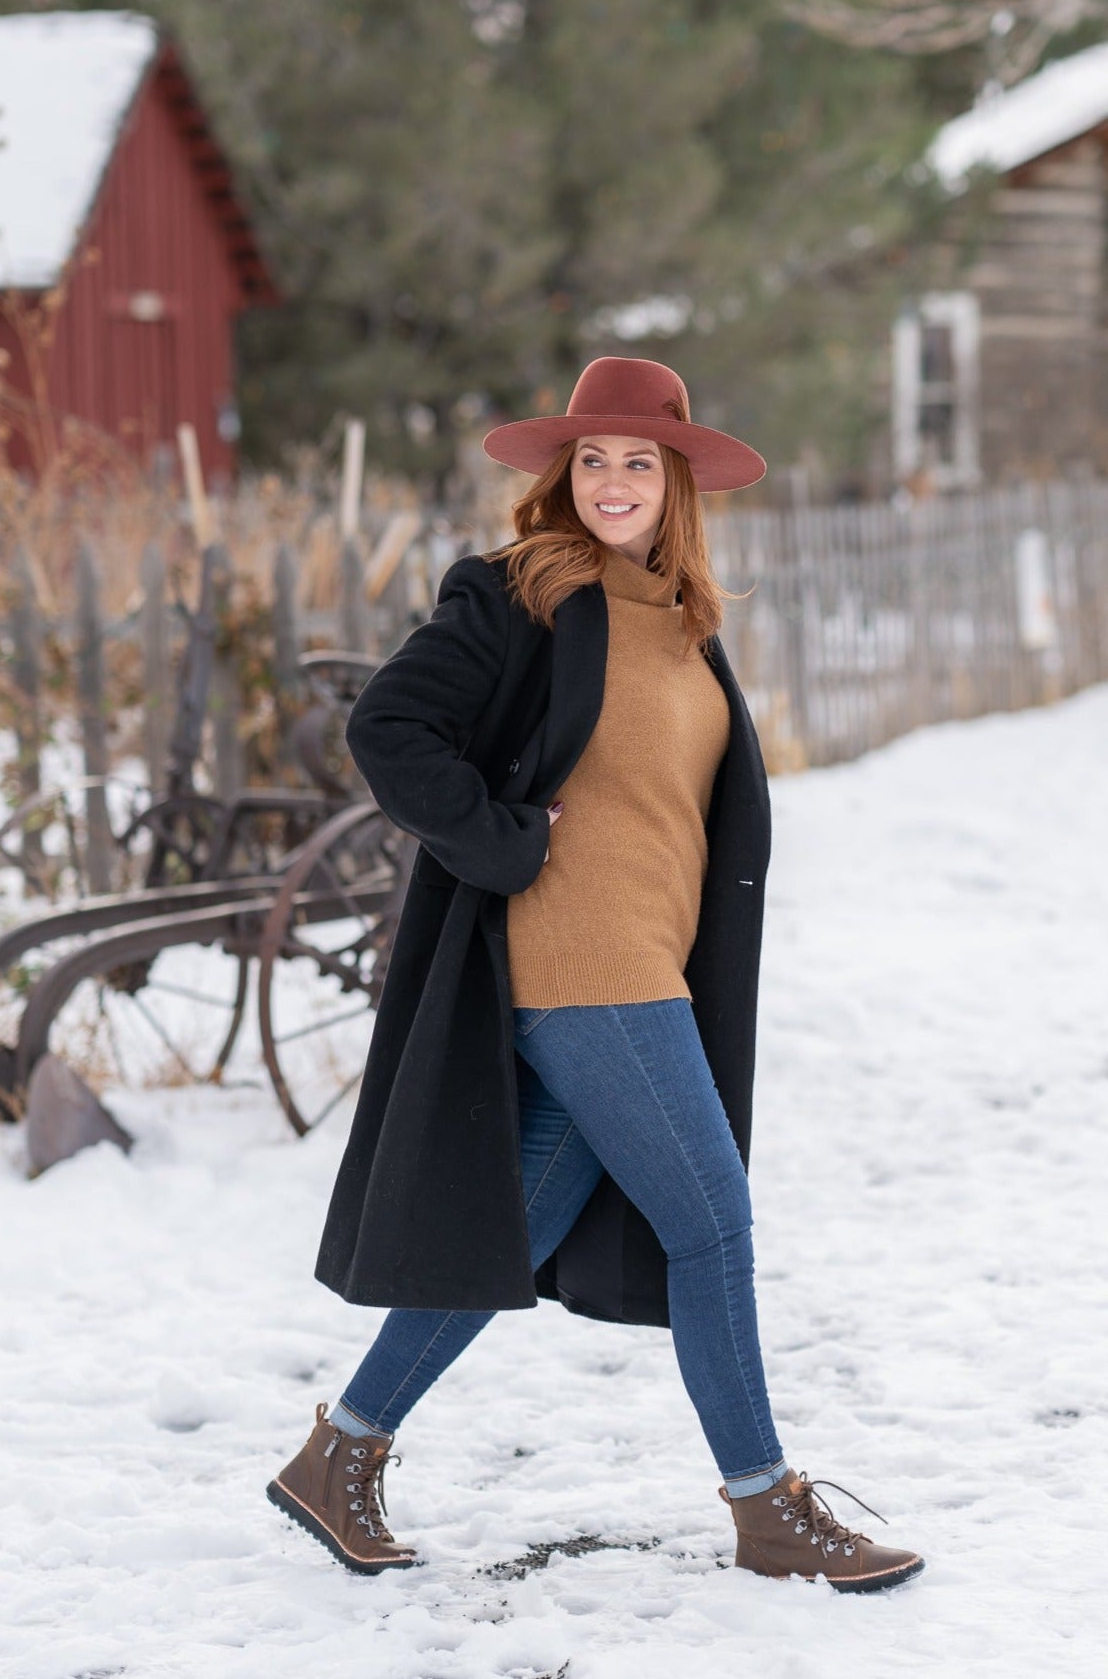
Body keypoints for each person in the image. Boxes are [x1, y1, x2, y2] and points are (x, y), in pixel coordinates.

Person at [266, 356, 924, 1594]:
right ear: (563, 479)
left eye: (637, 461)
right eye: (592, 460)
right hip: (578, 953)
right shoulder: (521, 592)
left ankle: (337, 1454)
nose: (613, 481)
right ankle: (766, 1503)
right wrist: (504, 839)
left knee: (524, 1219)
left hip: (649, 957)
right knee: (712, 1221)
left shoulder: (684, 620)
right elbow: (389, 726)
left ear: (676, 481)